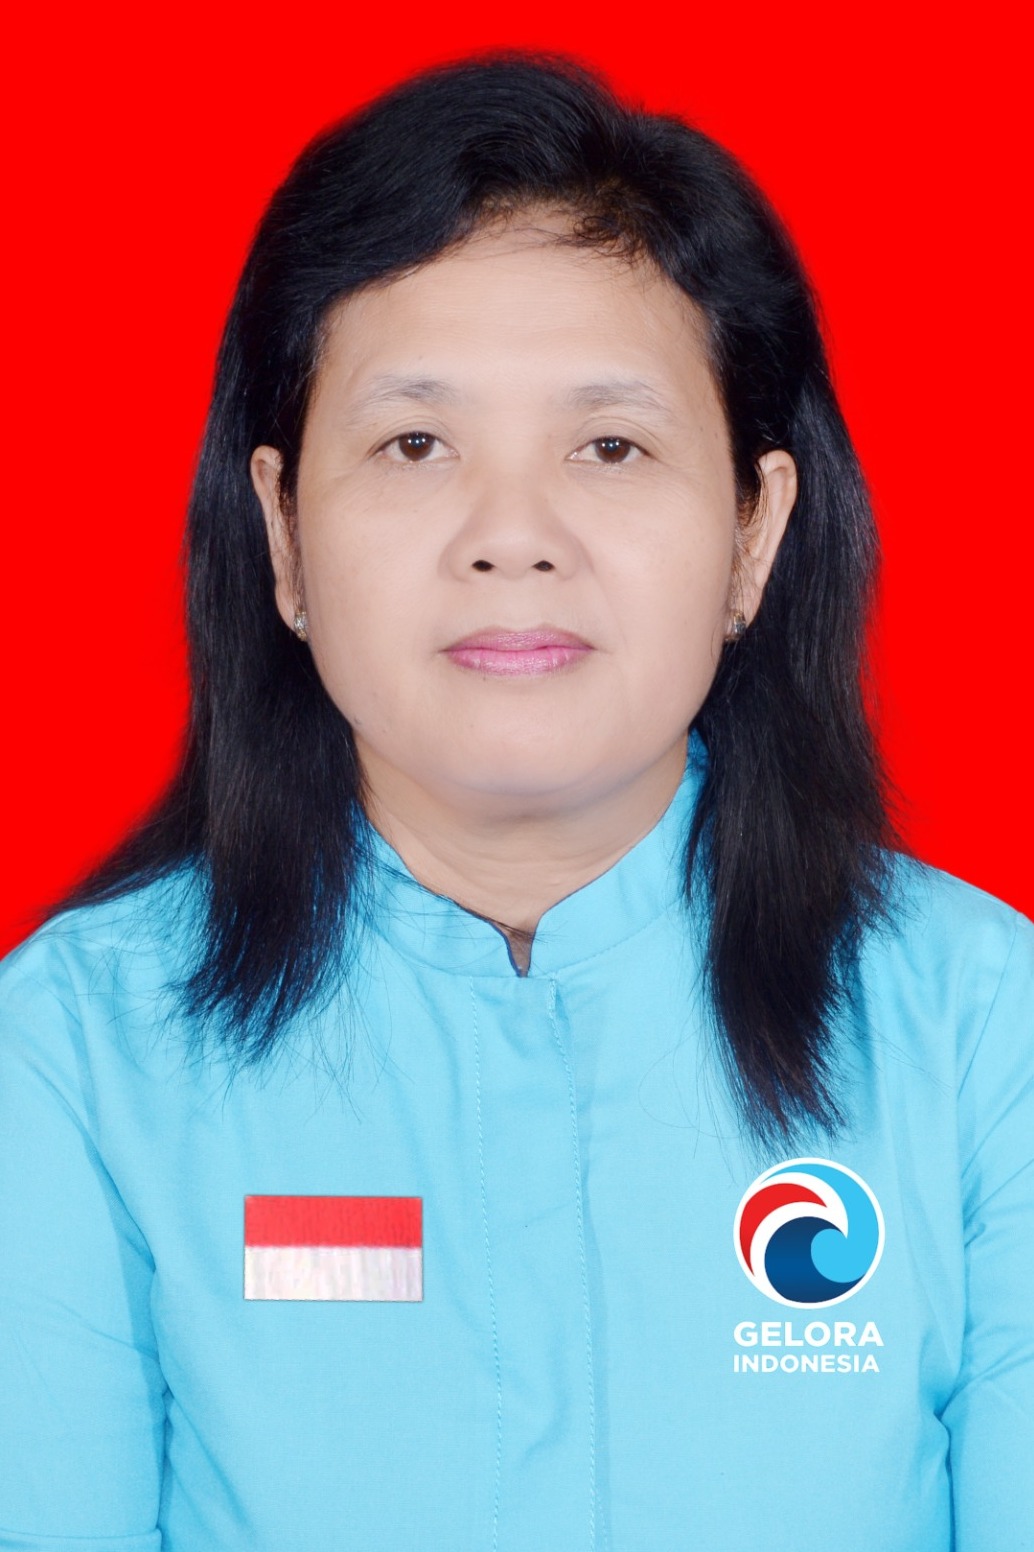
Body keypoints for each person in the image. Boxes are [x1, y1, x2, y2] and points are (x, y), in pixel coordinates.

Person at [0, 50, 1031, 1552]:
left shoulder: (983, 1030)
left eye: (609, 447)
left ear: (754, 534)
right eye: (415, 444)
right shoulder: (76, 1052)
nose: (511, 536)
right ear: (282, 534)